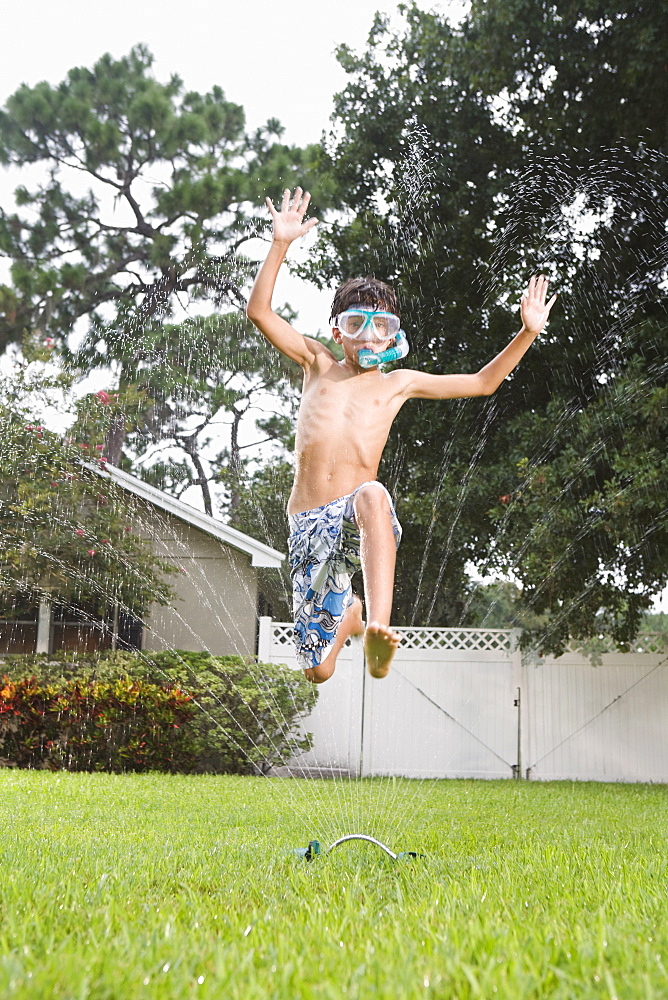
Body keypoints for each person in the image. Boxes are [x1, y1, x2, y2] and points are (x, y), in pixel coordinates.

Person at [246, 188, 557, 684]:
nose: (368, 336)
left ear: (394, 336)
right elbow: (260, 313)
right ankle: (349, 616)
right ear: (338, 329)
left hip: (353, 516)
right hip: (307, 525)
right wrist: (280, 243)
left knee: (372, 493)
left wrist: (527, 332)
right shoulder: (317, 363)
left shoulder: (397, 383)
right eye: (355, 324)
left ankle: (376, 628)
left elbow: (482, 383)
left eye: (381, 326)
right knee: (318, 671)